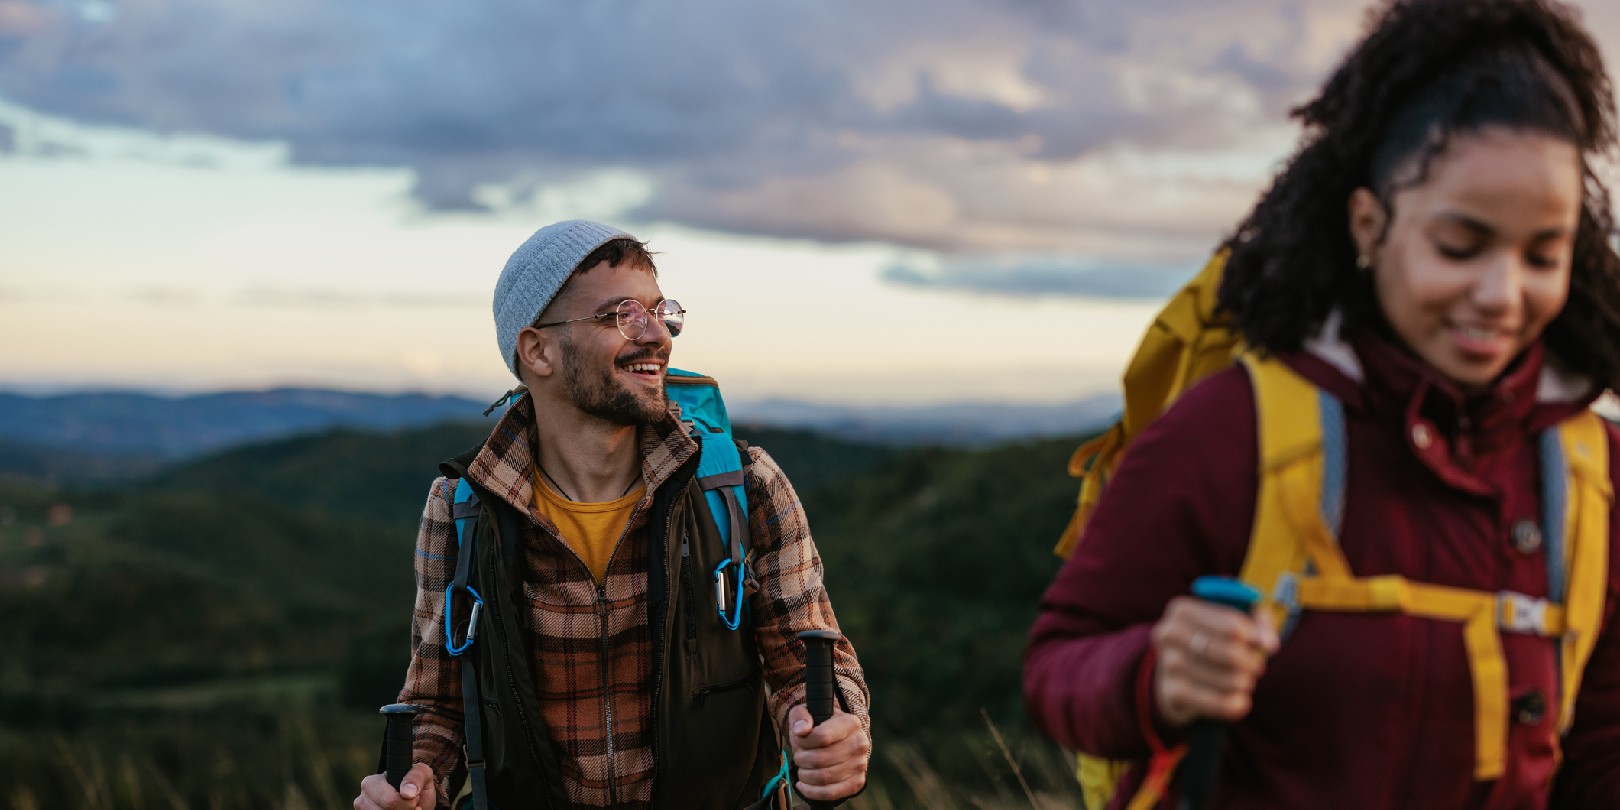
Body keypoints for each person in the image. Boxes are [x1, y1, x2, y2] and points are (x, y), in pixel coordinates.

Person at [1024, 0, 1620, 807]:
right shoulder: (1231, 432)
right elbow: (1060, 664)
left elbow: (1597, 751)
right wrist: (1155, 675)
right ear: (1369, 225)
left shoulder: (1594, 478)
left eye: (1543, 255)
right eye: (1460, 246)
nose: (1502, 295)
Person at [354, 220, 871, 810]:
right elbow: (438, 705)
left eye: (658, 311)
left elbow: (805, 660)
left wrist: (833, 730)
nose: (655, 336)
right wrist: (417, 784)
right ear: (537, 350)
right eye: (619, 315)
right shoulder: (462, 508)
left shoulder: (743, 485)